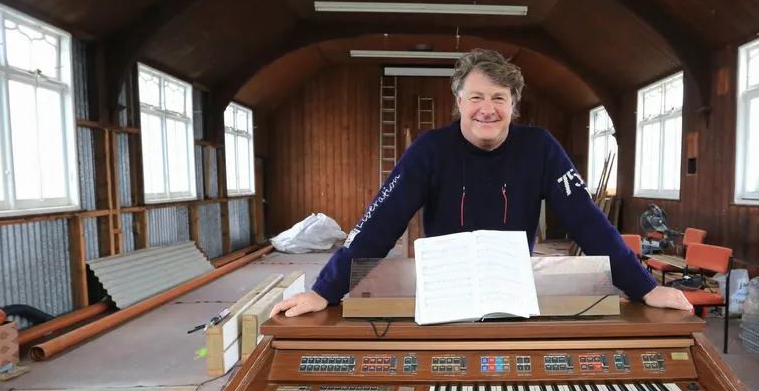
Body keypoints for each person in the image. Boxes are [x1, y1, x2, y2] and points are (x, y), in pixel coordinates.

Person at [274, 49, 692, 317]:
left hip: (511, 290)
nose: (487, 109)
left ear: (514, 103)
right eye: (476, 97)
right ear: (458, 102)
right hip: (445, 289)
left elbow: (588, 221)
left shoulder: (540, 147)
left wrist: (644, 286)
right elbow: (379, 222)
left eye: (499, 98)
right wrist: (325, 291)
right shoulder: (429, 149)